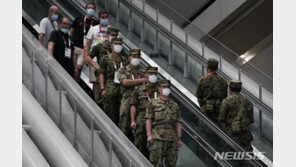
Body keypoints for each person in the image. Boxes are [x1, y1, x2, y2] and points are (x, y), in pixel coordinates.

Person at [146, 79, 182, 167]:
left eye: (168, 87)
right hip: (157, 137)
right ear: (159, 89)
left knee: (172, 164)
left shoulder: (174, 105)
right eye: (164, 87)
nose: (167, 89)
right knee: (156, 163)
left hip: (172, 138)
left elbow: (178, 123)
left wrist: (179, 138)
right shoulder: (153, 103)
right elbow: (148, 119)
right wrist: (149, 134)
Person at [97, 37, 128, 125]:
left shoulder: (124, 60)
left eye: (120, 44)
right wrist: (102, 88)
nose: (118, 46)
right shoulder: (106, 58)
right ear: (111, 45)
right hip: (110, 86)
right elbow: (101, 74)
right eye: (116, 44)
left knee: (122, 112)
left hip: (122, 88)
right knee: (110, 111)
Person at [117, 49, 146, 141]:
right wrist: (141, 80)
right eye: (134, 57)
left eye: (138, 57)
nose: (136, 59)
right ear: (129, 57)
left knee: (139, 128)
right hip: (127, 99)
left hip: (139, 102)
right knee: (124, 125)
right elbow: (125, 82)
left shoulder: (142, 72)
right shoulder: (123, 70)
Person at [130, 66, 158, 158]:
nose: (153, 76)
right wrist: (133, 120)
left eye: (155, 74)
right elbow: (133, 105)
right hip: (141, 119)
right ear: (145, 75)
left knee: (154, 149)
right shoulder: (139, 89)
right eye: (150, 74)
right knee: (139, 145)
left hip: (156, 121)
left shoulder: (159, 91)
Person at [219, 80, 254, 152]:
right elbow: (251, 120)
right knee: (247, 159)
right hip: (245, 136)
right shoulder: (248, 102)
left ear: (229, 89)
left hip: (231, 135)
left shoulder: (226, 101)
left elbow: (222, 120)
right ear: (240, 89)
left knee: (230, 159)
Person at [69, 2, 99, 81]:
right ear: (86, 9)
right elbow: (70, 32)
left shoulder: (96, 23)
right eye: (89, 8)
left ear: (95, 10)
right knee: (71, 66)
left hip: (84, 49)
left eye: (92, 8)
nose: (91, 9)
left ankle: (76, 82)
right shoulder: (78, 19)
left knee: (78, 67)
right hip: (74, 47)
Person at [84, 9, 110, 99]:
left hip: (107, 59)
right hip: (94, 58)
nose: (104, 19)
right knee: (95, 81)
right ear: (99, 18)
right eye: (102, 17)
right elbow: (87, 44)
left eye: (106, 17)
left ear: (108, 18)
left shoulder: (111, 30)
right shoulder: (93, 29)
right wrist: (85, 57)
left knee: (106, 81)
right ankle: (96, 100)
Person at [92, 27, 119, 108]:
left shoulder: (117, 48)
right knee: (101, 97)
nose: (113, 37)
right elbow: (88, 57)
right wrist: (96, 66)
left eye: (115, 35)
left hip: (113, 77)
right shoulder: (100, 46)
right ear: (107, 35)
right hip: (102, 75)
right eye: (112, 35)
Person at [195, 58, 228, 124]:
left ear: (207, 66)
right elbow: (224, 98)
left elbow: (199, 98)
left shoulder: (202, 80)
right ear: (217, 68)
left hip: (206, 112)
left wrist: (204, 108)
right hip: (218, 114)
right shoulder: (223, 81)